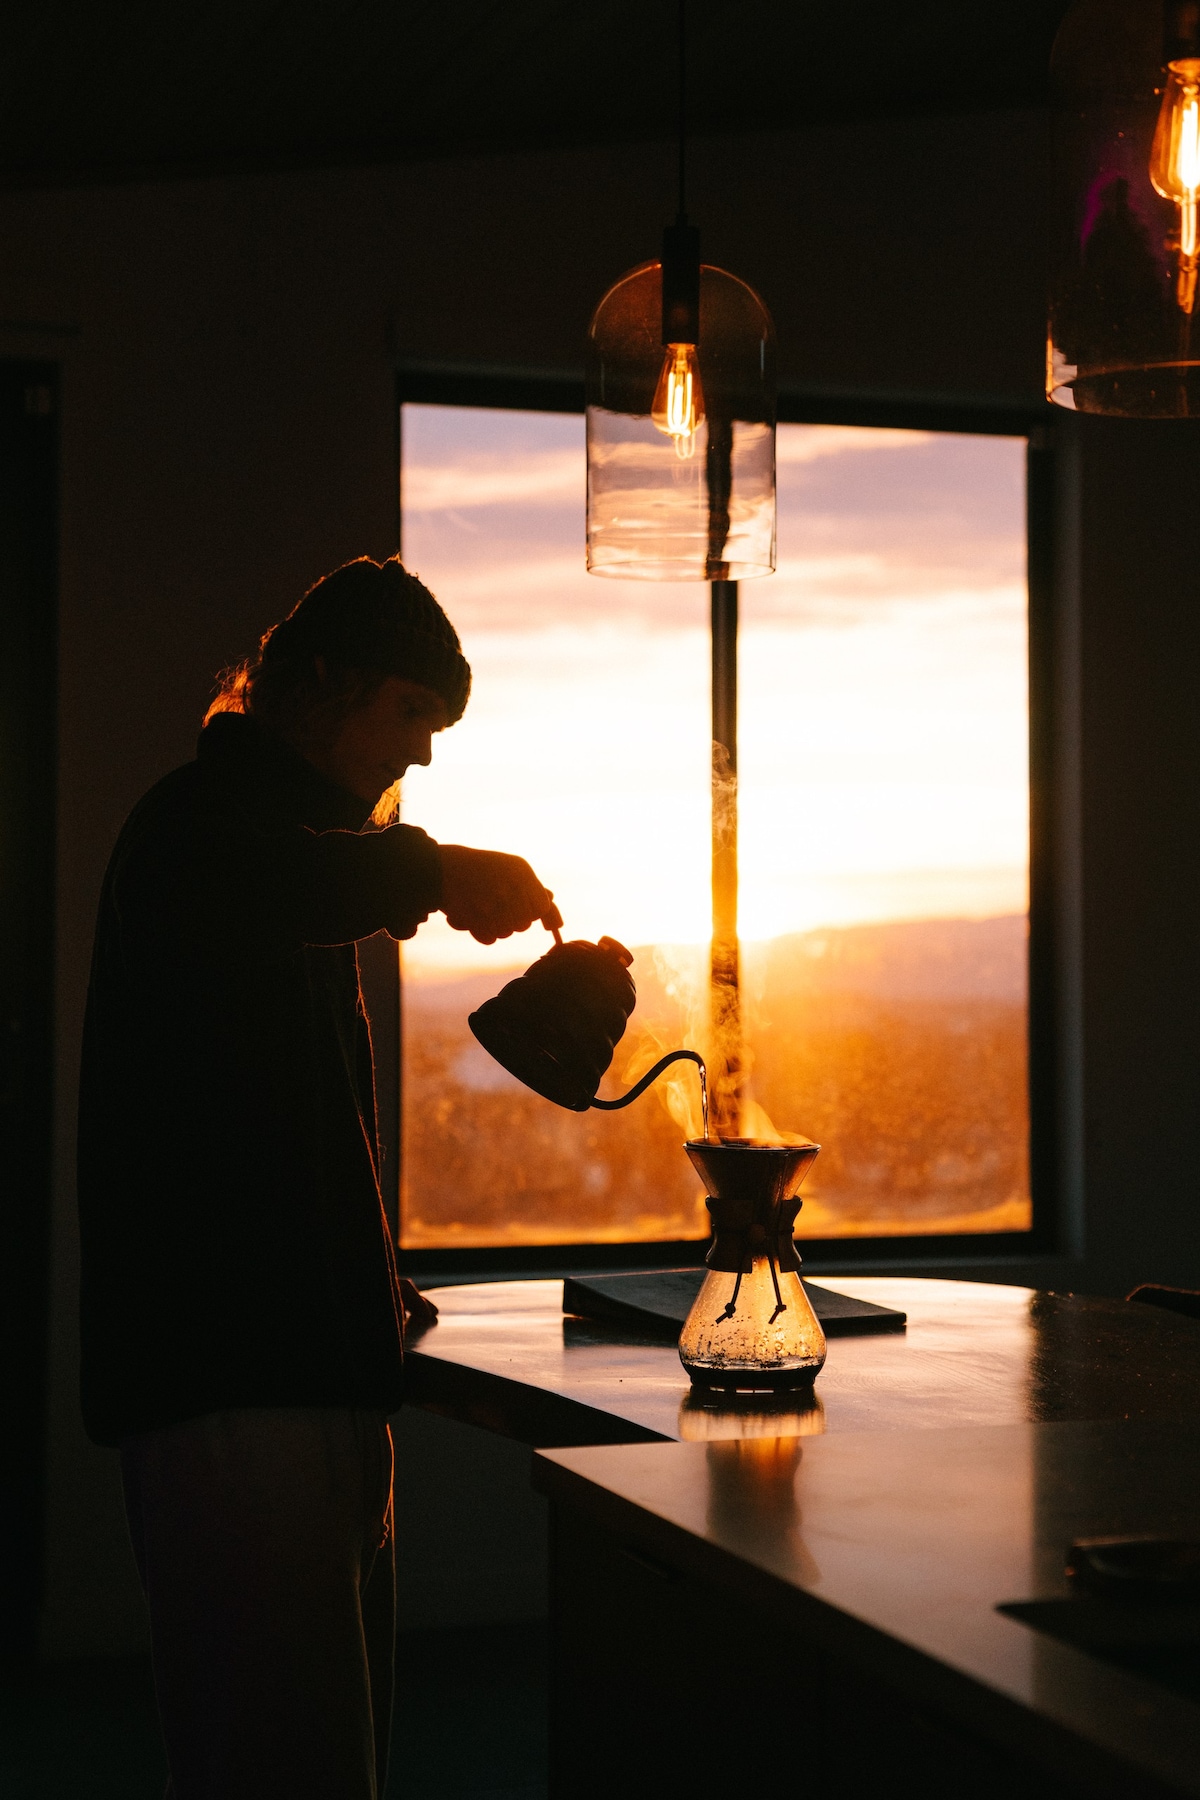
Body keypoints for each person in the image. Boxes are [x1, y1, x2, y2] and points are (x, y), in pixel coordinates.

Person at [77, 556, 561, 1800]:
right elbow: (275, 884)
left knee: (315, 1760)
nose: (425, 757)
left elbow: (277, 1128)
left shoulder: (273, 860)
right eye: (410, 714)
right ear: (323, 689)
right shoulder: (194, 836)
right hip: (233, 1385)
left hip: (301, 1374)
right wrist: (436, 873)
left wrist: (367, 1289)